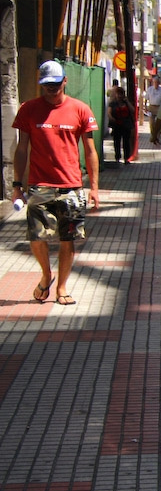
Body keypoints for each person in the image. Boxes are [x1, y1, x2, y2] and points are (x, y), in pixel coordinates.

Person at [11, 60, 100, 307]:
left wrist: (94, 187)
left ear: (65, 81)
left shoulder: (81, 109)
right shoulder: (29, 109)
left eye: (56, 82)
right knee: (36, 236)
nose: (51, 87)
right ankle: (46, 274)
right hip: (39, 185)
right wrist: (17, 185)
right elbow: (21, 149)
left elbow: (90, 151)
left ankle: (61, 287)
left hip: (71, 186)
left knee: (67, 238)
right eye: (47, 83)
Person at [107, 85, 135, 164]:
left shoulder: (125, 103)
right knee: (117, 142)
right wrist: (111, 118)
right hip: (117, 125)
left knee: (126, 142)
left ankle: (126, 158)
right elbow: (109, 112)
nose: (119, 96)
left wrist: (127, 101)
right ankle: (117, 158)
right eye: (118, 94)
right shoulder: (113, 103)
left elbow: (132, 110)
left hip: (126, 125)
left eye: (121, 94)